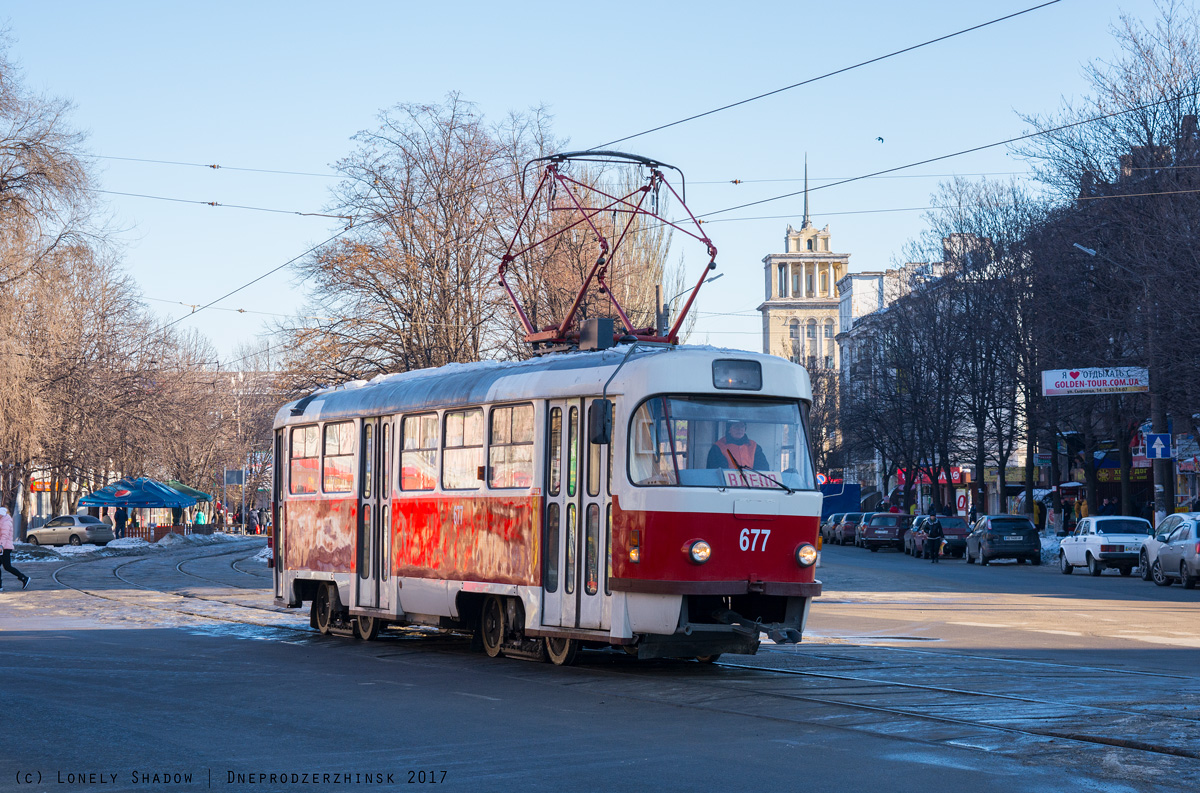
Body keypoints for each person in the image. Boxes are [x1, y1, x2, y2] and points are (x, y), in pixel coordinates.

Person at [0, 507, 30, 591]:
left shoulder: (5, 522)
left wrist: (1, 546)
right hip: (3, 547)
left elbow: (4, 536)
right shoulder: (2, 521)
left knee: (7, 567)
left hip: (5, 547)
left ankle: (24, 578)